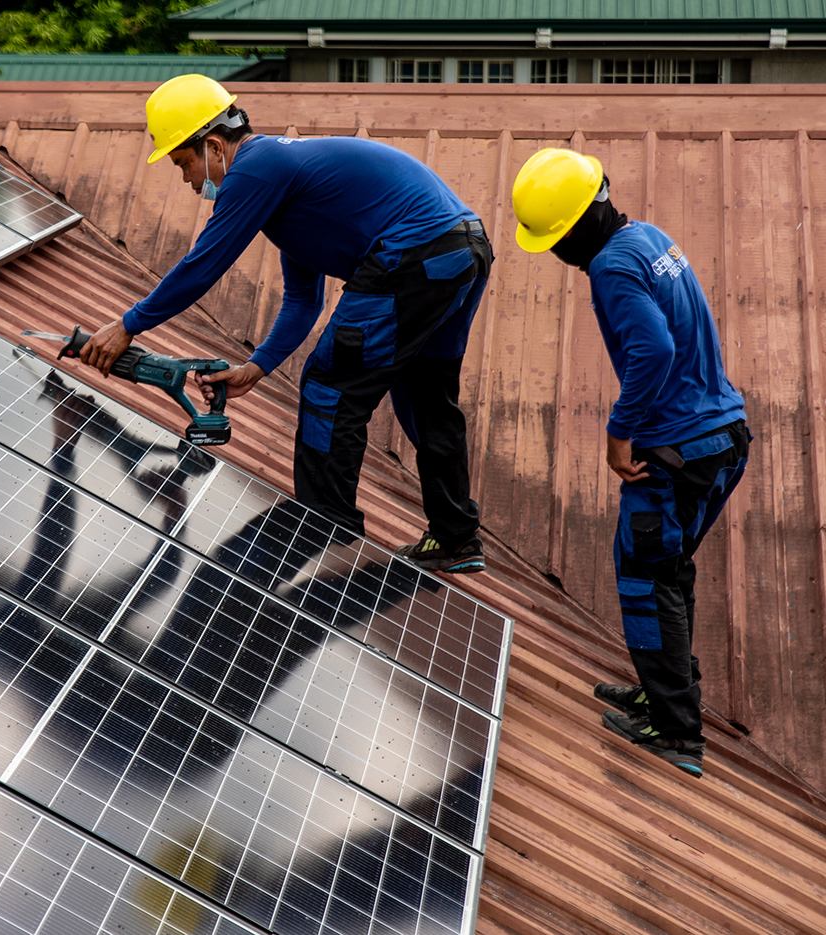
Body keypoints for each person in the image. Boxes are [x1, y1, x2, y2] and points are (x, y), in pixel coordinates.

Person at [79, 74, 493, 574]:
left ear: (212, 146)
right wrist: (256, 367)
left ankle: (325, 528)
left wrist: (128, 324)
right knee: (425, 396)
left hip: (418, 251)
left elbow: (204, 265)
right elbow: (302, 300)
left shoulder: (257, 168)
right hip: (461, 250)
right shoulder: (288, 182)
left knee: (329, 386)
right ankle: (456, 538)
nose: (188, 180)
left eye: (183, 163)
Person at [511, 148, 751, 778]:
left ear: (579, 225)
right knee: (666, 568)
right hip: (719, 435)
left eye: (558, 239)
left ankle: (676, 731)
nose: (559, 254)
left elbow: (652, 349)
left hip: (676, 448)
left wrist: (620, 435)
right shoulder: (648, 238)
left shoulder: (611, 265)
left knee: (647, 575)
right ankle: (664, 687)